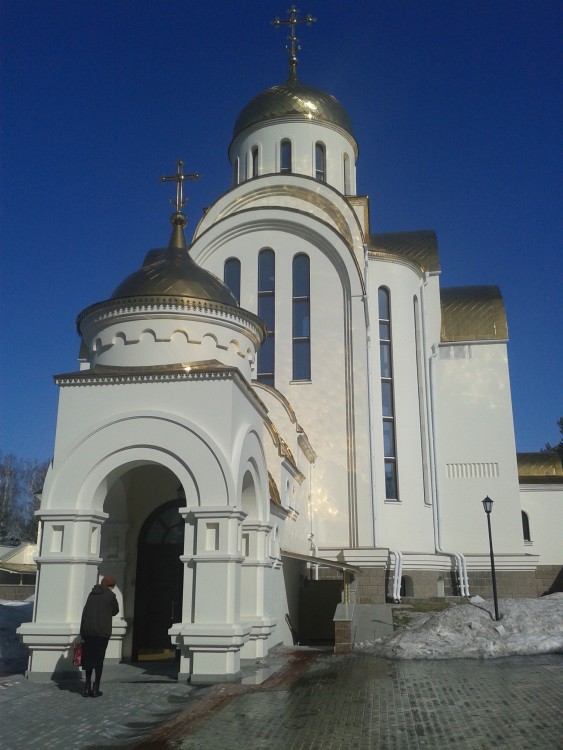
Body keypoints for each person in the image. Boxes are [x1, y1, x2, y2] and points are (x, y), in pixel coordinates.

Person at [79, 574, 119, 697]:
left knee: (89, 658)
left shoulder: (91, 595)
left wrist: (82, 631)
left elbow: (85, 612)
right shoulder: (110, 596)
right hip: (102, 632)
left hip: (88, 632)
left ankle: (86, 687)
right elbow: (115, 611)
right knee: (99, 659)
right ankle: (96, 688)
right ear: (110, 586)